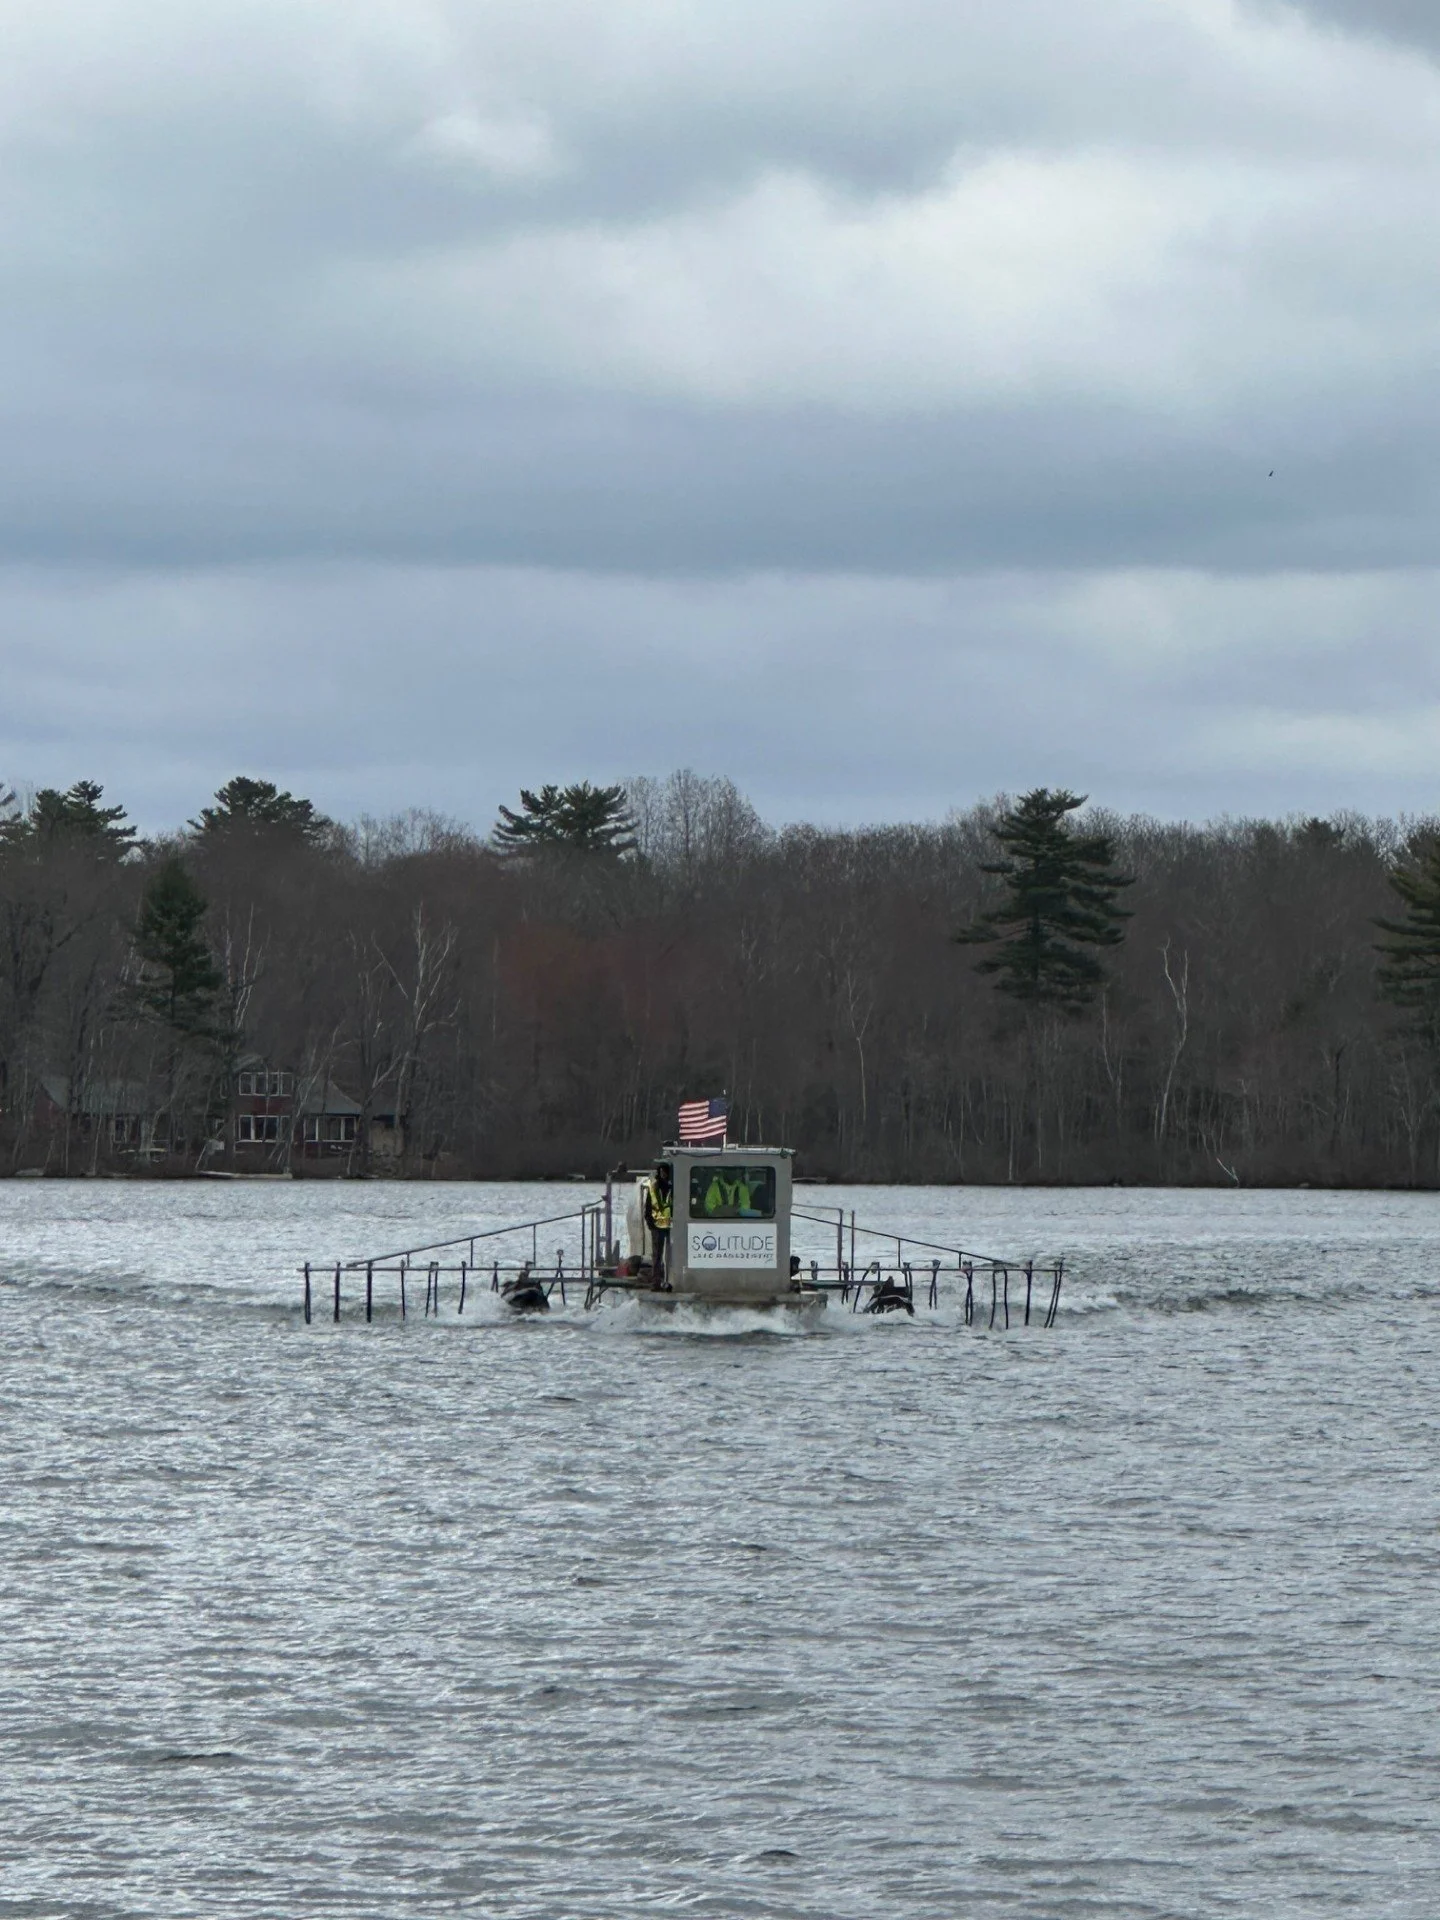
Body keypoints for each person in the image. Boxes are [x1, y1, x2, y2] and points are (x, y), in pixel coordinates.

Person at [644, 1164, 674, 1285]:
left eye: (665, 1172)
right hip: (657, 1225)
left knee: (669, 1254)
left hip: (671, 1224)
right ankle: (656, 1280)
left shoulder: (672, 1186)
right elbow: (648, 1207)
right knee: (657, 1255)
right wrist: (650, 1223)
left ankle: (668, 1279)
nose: (663, 1174)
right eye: (661, 1172)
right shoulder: (655, 1187)